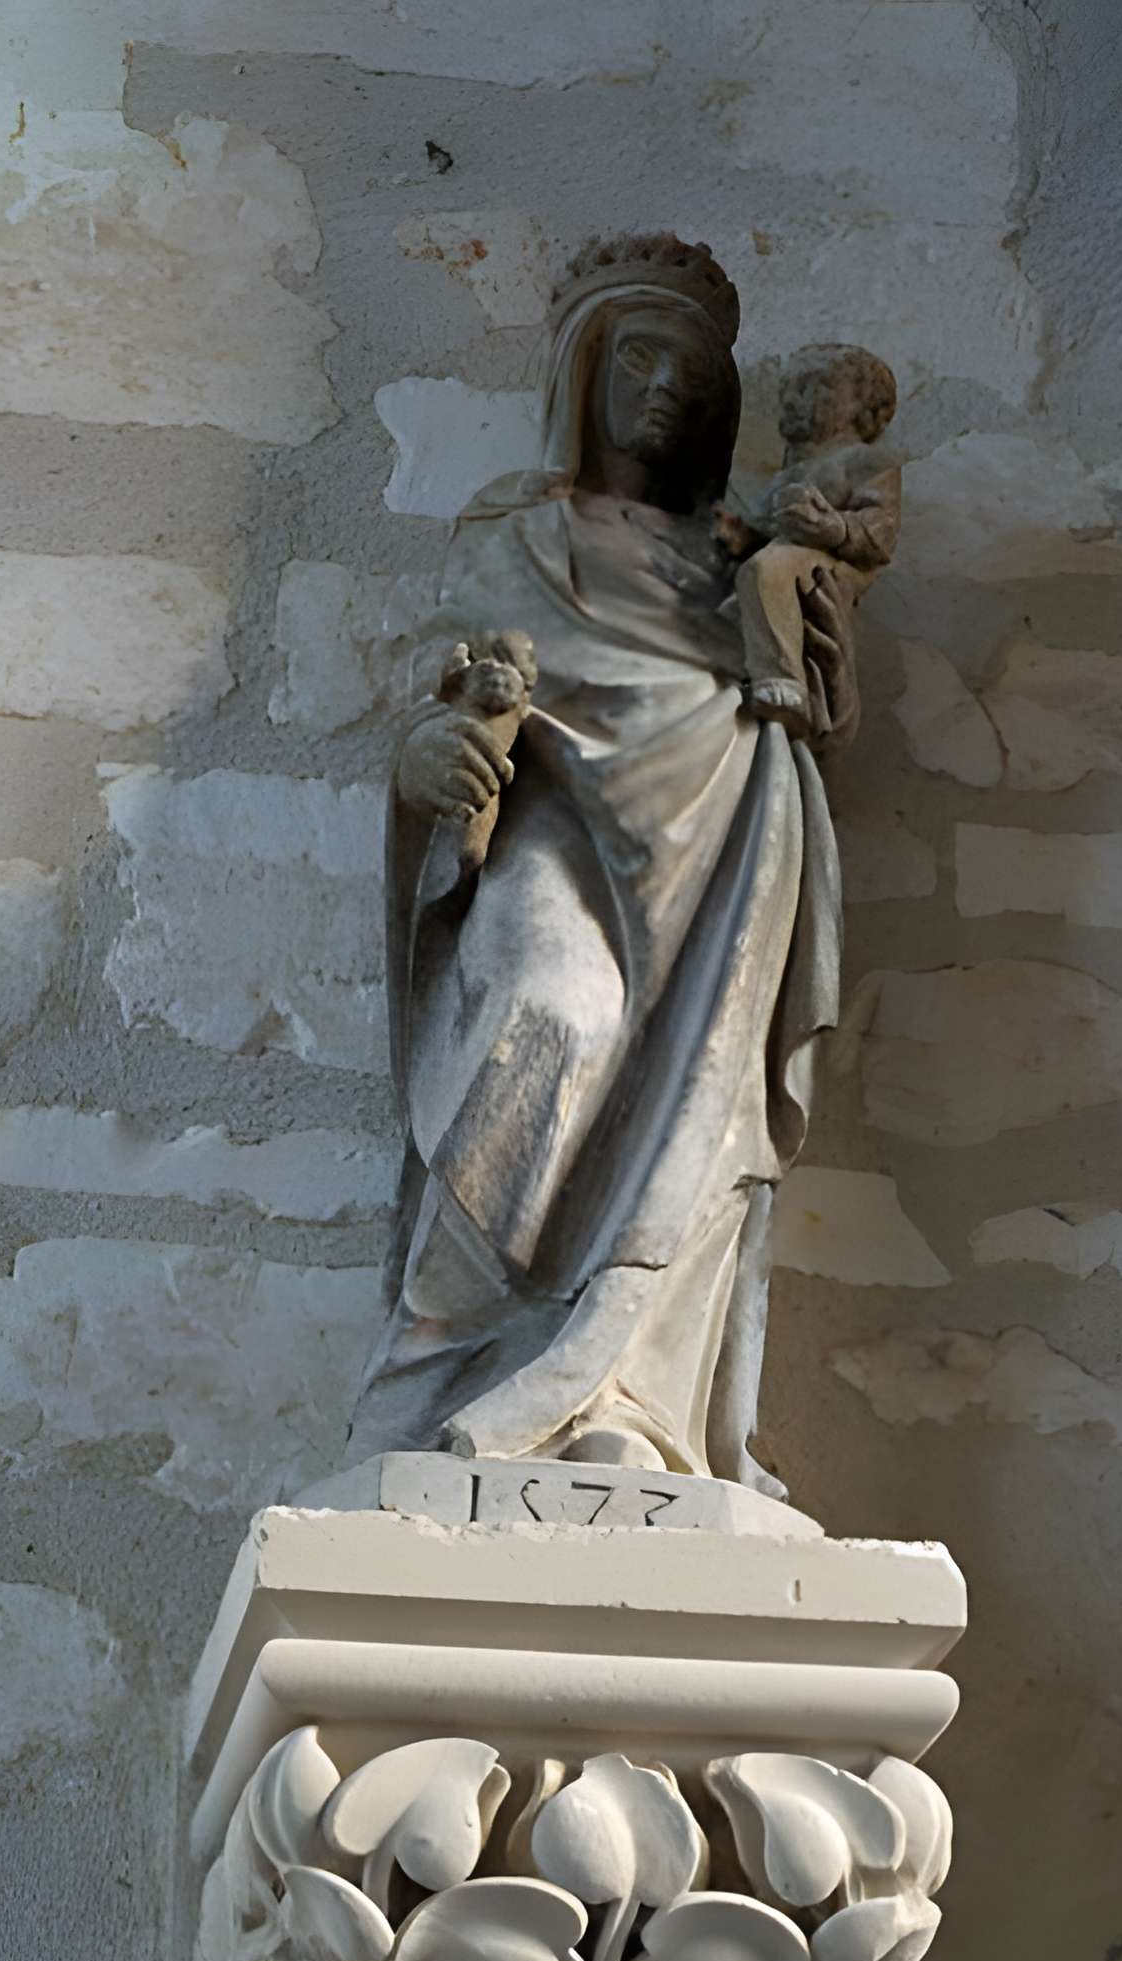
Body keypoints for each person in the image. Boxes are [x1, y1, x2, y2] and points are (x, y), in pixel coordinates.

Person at [345, 236, 860, 1497]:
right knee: (543, 1010)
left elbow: (809, 680)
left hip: (725, 834)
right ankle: (443, 1371)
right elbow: (442, 678)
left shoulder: (731, 552)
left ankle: (625, 1395)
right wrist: (434, 756)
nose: (665, 391)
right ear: (583, 371)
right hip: (560, 824)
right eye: (638, 358)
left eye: (691, 374)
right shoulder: (518, 531)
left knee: (696, 1102)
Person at [728, 343, 900, 741]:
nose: (793, 400)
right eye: (790, 390)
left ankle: (785, 684)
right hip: (784, 559)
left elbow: (880, 533)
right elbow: (756, 526)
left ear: (863, 407)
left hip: (828, 570)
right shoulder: (788, 473)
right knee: (729, 599)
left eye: (813, 389)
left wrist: (829, 526)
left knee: (765, 570)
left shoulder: (865, 461)